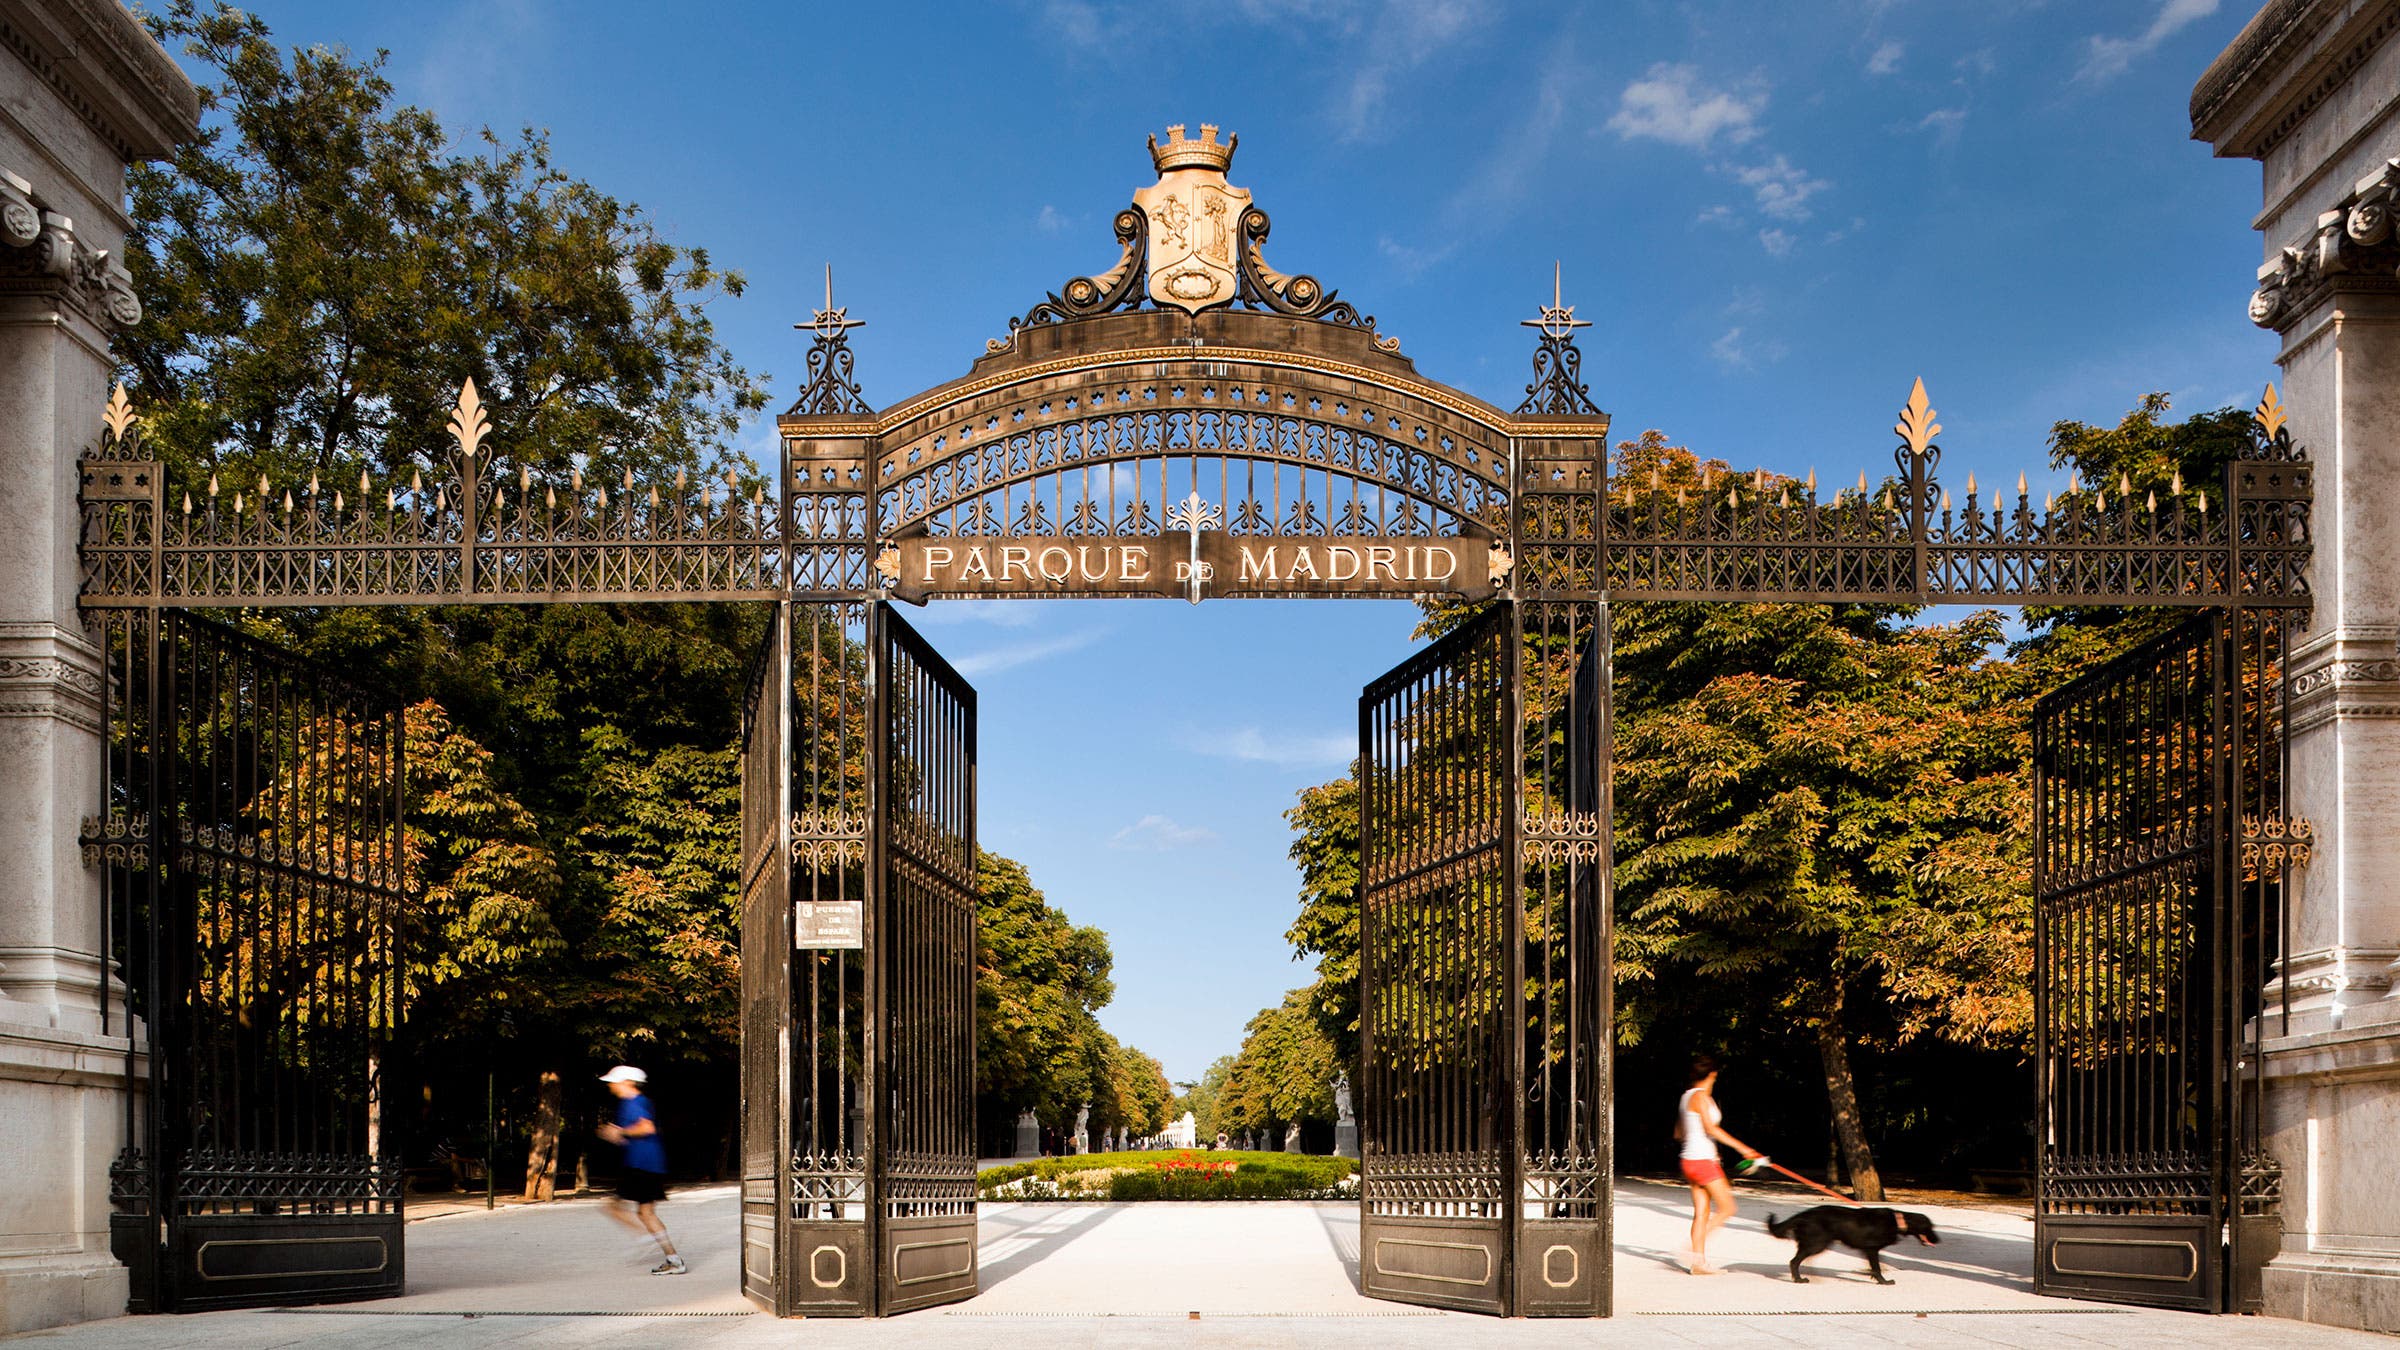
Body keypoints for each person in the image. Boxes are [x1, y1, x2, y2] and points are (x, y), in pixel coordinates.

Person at [1675, 1055, 1764, 1276]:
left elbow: (1678, 1133)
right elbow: (1711, 1129)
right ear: (1712, 1074)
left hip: (1688, 1159)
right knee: (1727, 1208)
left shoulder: (1686, 1098)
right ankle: (1690, 1251)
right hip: (1703, 1160)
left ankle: (1699, 1265)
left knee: (1702, 1212)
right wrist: (1744, 1149)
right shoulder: (1702, 1098)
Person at [597, 1065, 686, 1275]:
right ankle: (674, 1260)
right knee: (646, 1213)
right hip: (648, 1163)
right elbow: (637, 1132)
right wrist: (618, 1135)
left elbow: (646, 1128)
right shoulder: (635, 1102)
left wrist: (621, 1131)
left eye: (614, 1081)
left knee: (613, 1207)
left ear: (626, 1082)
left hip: (642, 1165)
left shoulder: (633, 1102)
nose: (611, 1085)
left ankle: (645, 1240)